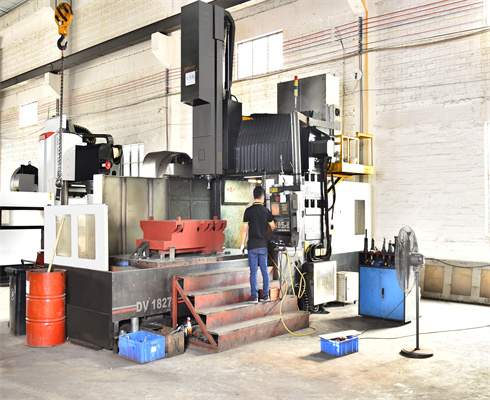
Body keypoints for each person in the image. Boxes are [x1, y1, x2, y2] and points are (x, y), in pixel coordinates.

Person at [240, 186, 276, 303]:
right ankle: (265, 295)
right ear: (263, 197)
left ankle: (254, 296)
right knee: (265, 271)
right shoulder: (267, 211)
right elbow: (273, 227)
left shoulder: (248, 211)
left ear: (253, 196)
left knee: (253, 272)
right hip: (263, 246)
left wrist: (242, 244)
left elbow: (244, 229)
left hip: (252, 246)